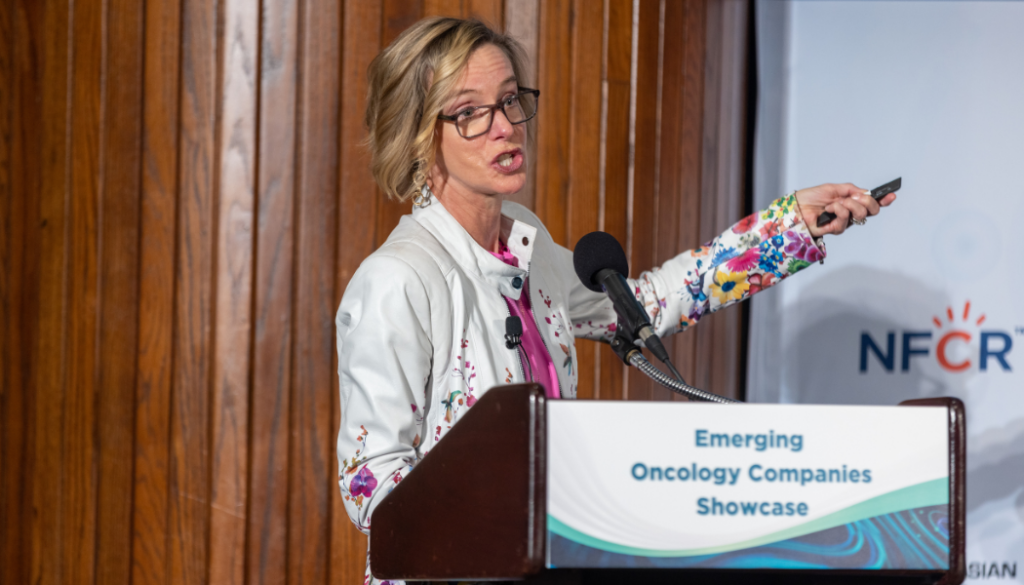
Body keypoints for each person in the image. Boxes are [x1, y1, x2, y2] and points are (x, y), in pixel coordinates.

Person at [336, 17, 895, 585]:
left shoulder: (528, 245)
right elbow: (370, 484)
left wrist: (788, 227)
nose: (504, 127)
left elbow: (639, 306)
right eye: (470, 112)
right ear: (417, 134)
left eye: (508, 101)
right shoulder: (398, 279)